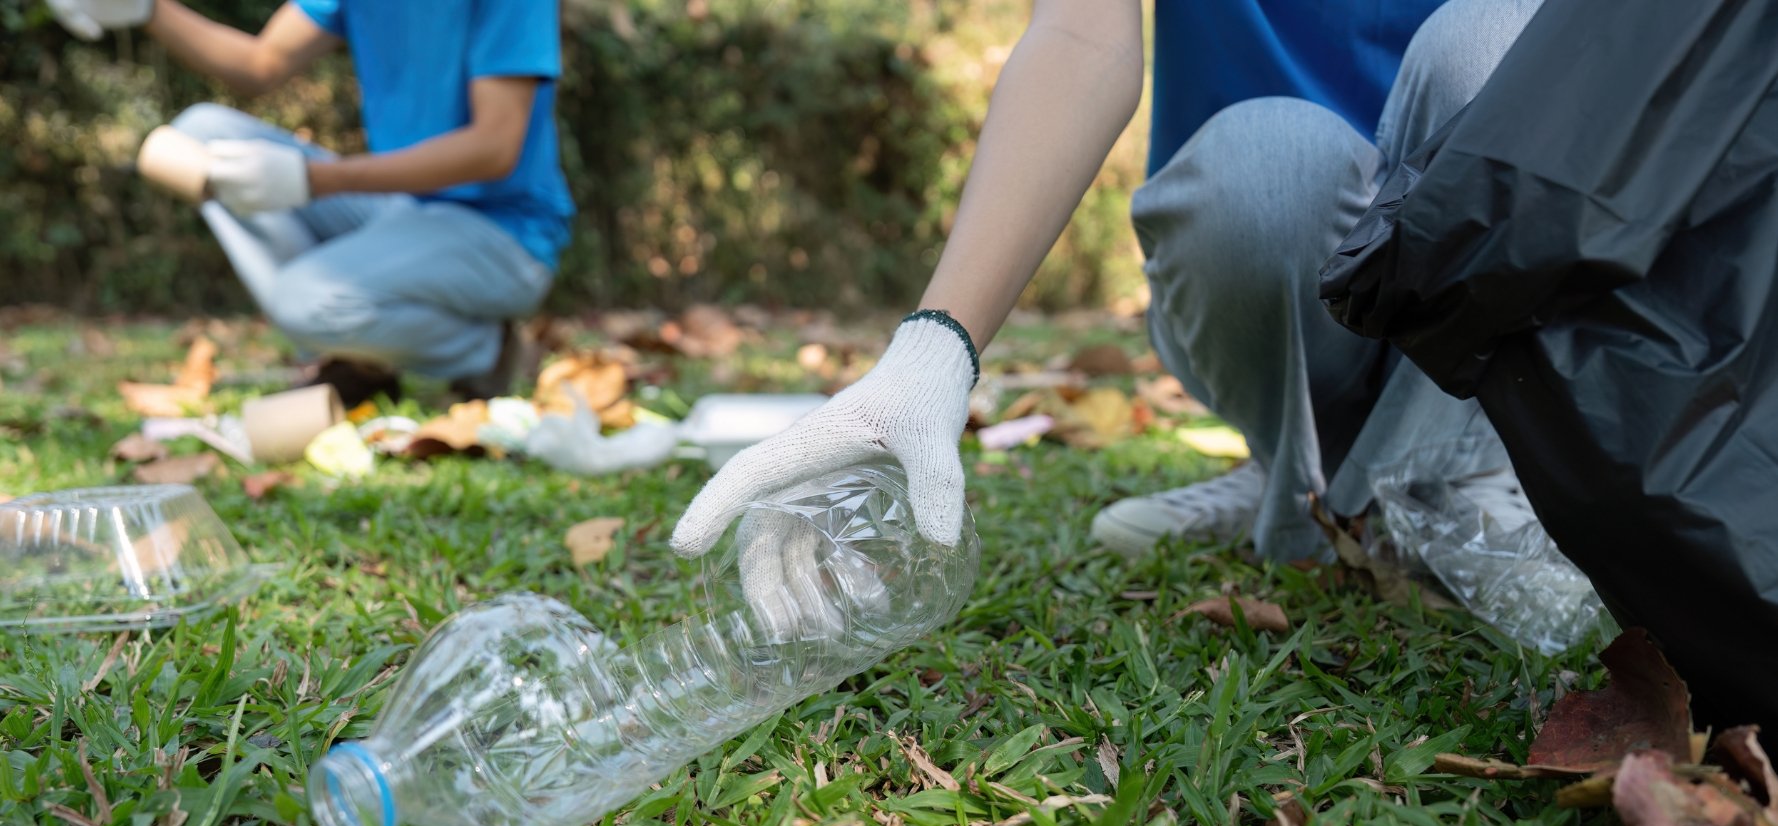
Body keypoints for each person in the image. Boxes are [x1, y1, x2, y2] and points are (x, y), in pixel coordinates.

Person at [672, 0, 1546, 573]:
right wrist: (931, 353)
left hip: (1505, 272)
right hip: (1257, 251)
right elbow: (1080, 34)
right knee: (1270, 163)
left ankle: (1430, 482)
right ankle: (1296, 468)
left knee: (1509, 36)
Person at [48, 0, 575, 406]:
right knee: (202, 137)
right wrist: (149, 10)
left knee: (304, 300)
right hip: (401, 212)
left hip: (505, 235)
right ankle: (360, 357)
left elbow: (494, 147)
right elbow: (260, 63)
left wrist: (315, 180)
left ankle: (487, 351)